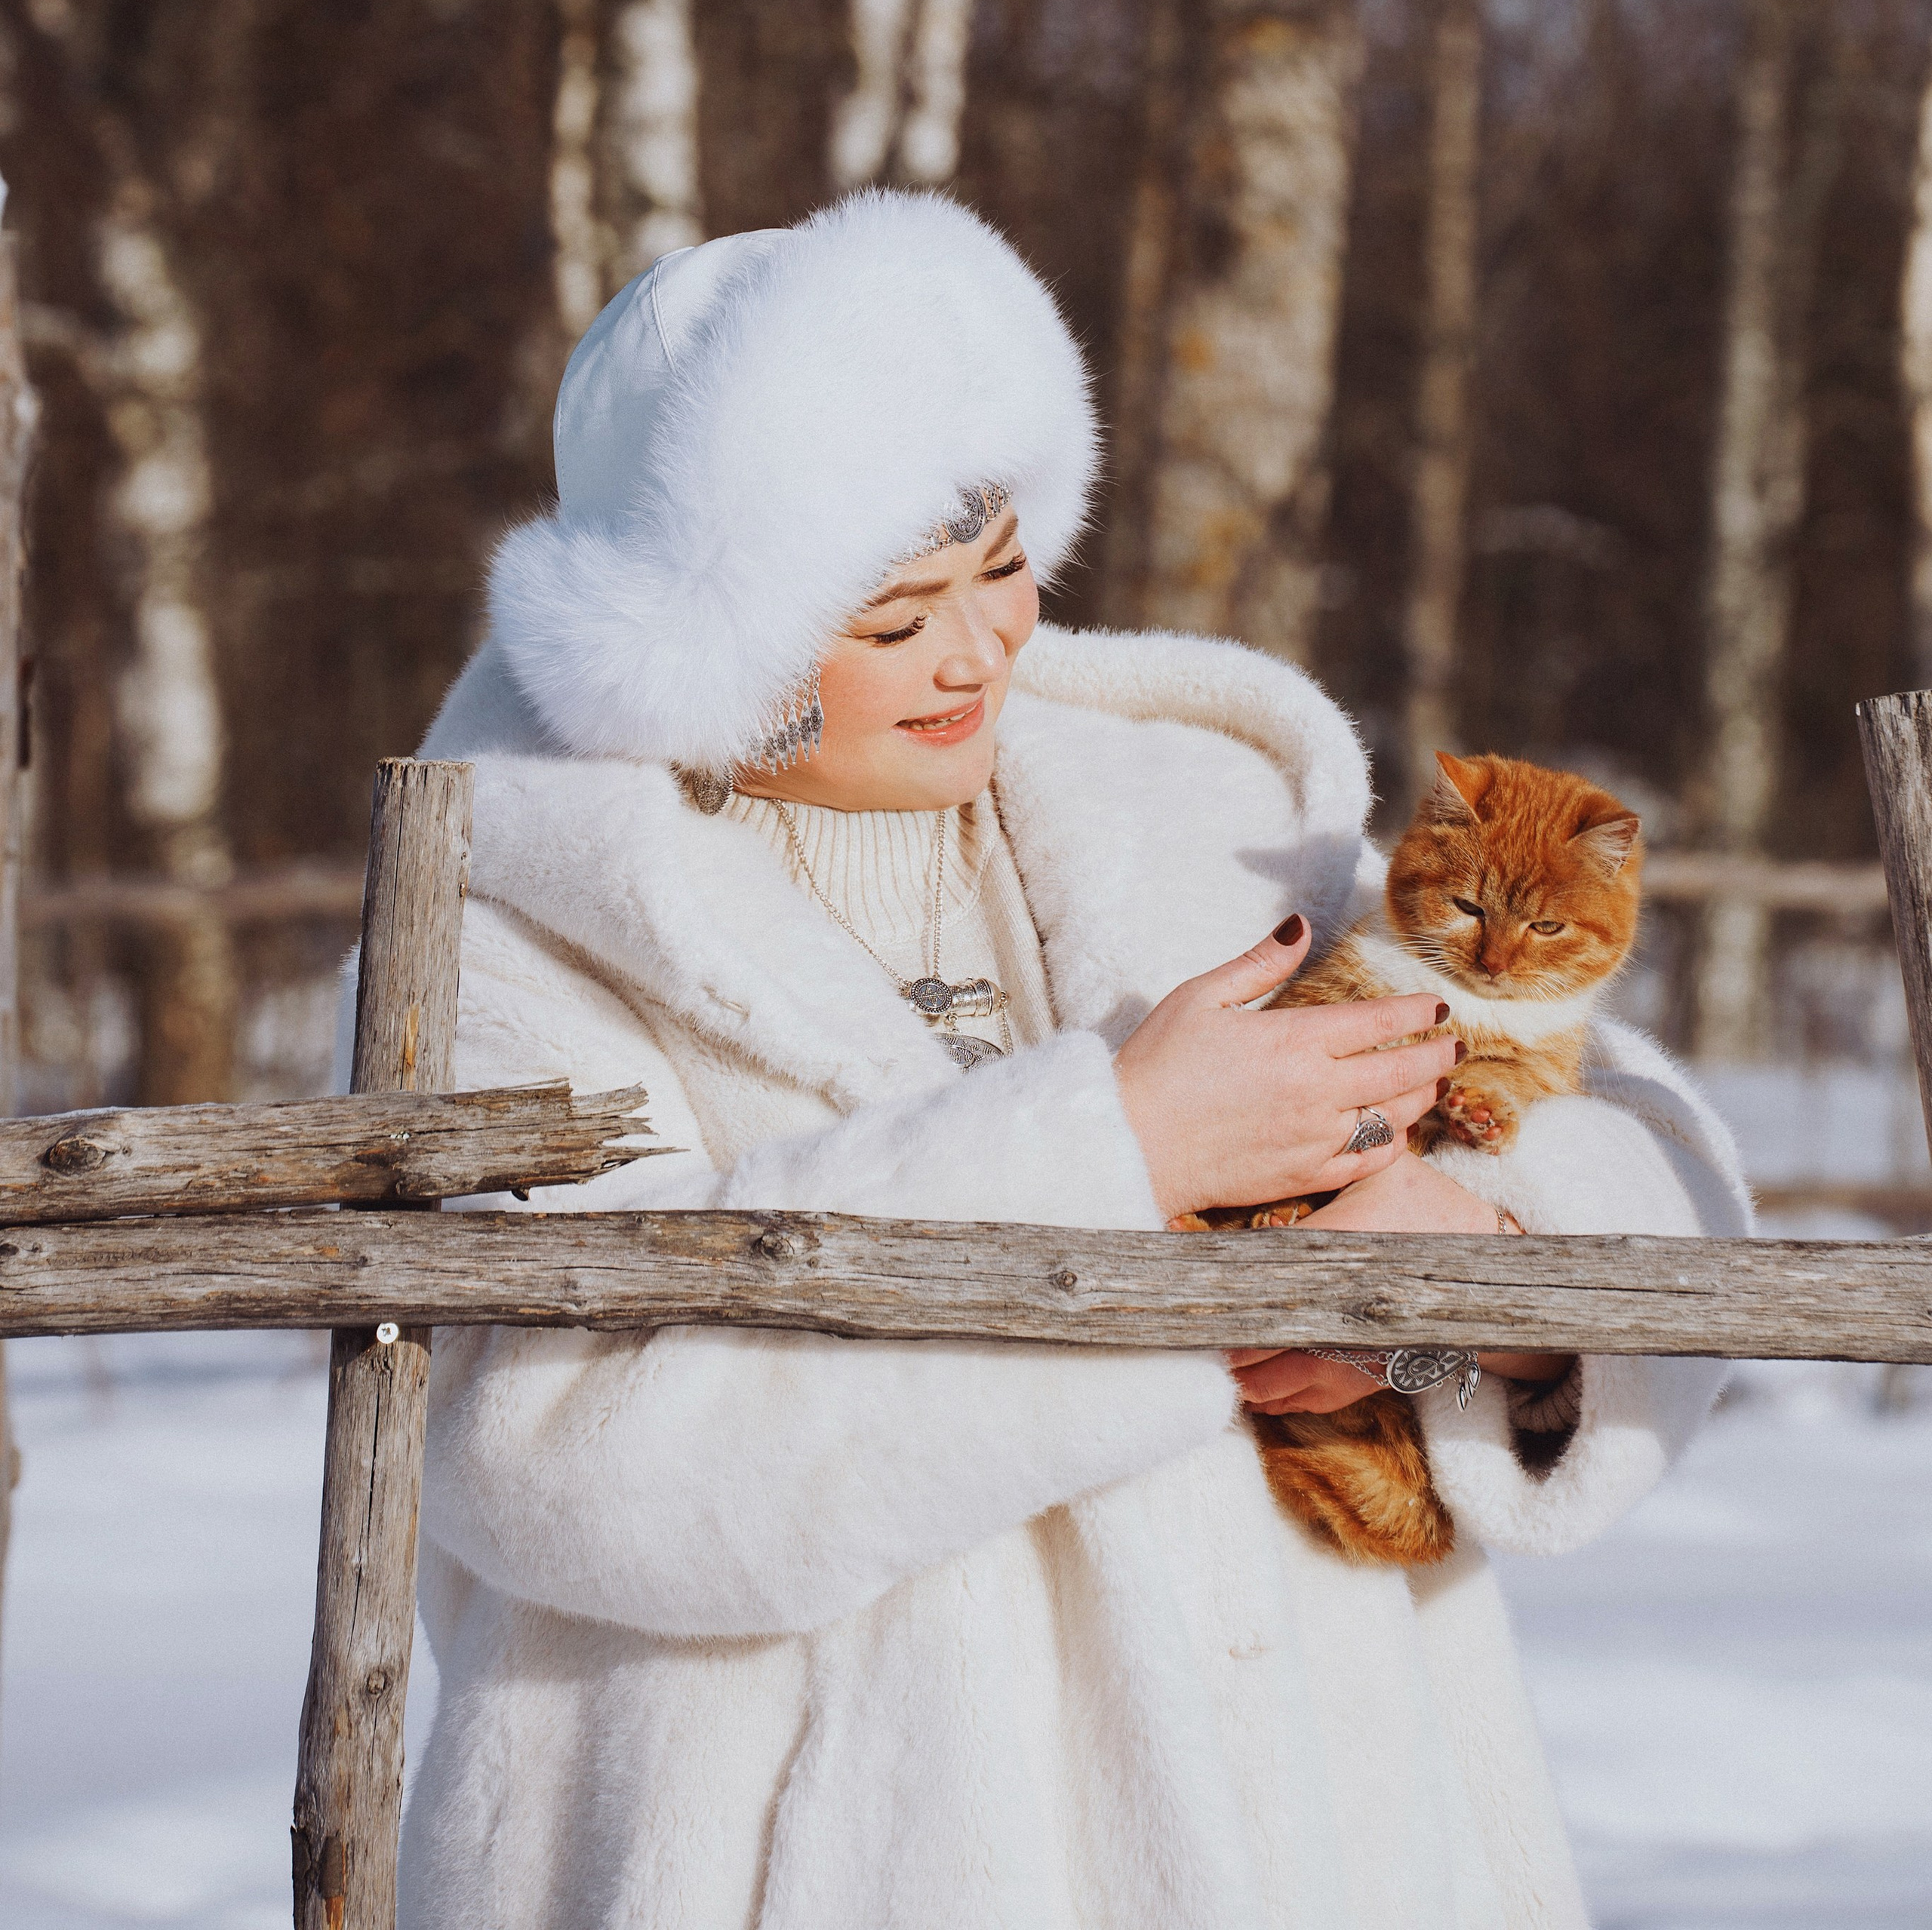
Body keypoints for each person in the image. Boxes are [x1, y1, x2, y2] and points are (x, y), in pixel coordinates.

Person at [398, 190, 1748, 1930]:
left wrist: (1461, 1266)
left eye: (1002, 570)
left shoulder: (1205, 821)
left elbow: (1650, 1160)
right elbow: (565, 1459)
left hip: (1316, 1855)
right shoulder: (516, 934)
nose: (978, 653)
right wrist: (1113, 1157)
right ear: (704, 640)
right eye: (892, 621)